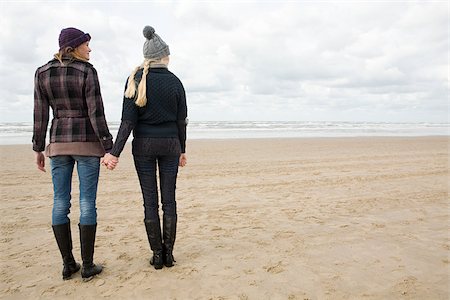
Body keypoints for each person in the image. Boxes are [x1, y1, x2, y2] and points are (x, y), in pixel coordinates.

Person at [102, 25, 188, 270]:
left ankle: (157, 255)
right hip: (171, 145)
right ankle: (169, 254)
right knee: (169, 201)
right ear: (165, 56)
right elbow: (181, 121)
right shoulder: (175, 82)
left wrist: (114, 152)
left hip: (143, 147)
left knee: (150, 201)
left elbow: (128, 122)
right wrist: (182, 149)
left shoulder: (135, 79)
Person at [33, 27, 114, 281]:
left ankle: (68, 264)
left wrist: (38, 147)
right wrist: (108, 146)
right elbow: (96, 112)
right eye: (86, 44)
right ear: (74, 46)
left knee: (60, 202)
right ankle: (87, 266)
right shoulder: (87, 71)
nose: (90, 49)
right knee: (87, 202)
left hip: (58, 143)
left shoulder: (42, 73)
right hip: (87, 143)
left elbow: (40, 115)